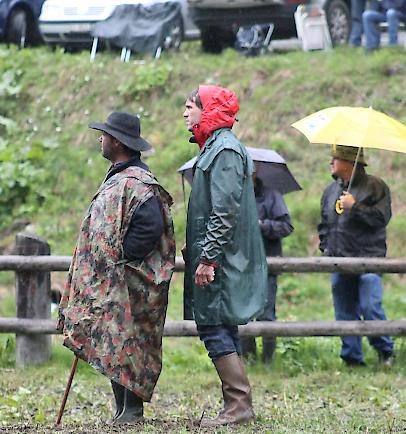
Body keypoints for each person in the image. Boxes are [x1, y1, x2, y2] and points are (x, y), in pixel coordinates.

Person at [57, 111, 175, 424]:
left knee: (129, 344)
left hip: (129, 283)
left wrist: (121, 256)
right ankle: (123, 410)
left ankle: (133, 411)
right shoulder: (119, 178)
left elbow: (150, 227)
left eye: (105, 134)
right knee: (112, 344)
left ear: (118, 142)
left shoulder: (139, 184)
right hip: (113, 281)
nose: (100, 138)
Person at [182, 85, 268, 428]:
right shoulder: (214, 149)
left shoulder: (225, 151)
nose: (185, 113)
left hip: (222, 261)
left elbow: (225, 211)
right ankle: (236, 404)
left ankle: (239, 405)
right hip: (218, 257)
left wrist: (208, 258)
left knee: (214, 325)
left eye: (190, 106)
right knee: (220, 324)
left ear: (208, 109)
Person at [317, 145, 394, 368]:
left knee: (371, 307)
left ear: (349, 163)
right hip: (339, 260)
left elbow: (381, 218)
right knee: (344, 311)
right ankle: (352, 359)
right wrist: (326, 248)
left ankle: (385, 352)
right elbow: (324, 223)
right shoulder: (330, 191)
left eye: (335, 159)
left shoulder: (376, 187)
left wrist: (355, 207)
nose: (331, 163)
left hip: (369, 259)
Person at [239, 162, 293, 365]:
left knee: (266, 313)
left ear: (254, 172)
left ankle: (268, 362)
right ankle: (248, 360)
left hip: (267, 264)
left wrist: (261, 225)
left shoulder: (272, 195)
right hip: (240, 265)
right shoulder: (233, 195)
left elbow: (286, 226)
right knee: (242, 314)